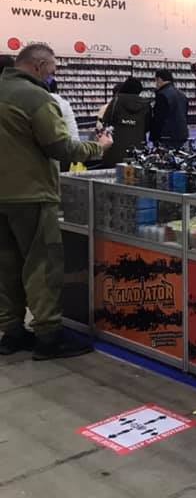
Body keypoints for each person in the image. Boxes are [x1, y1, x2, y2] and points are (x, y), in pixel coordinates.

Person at [0, 43, 112, 358]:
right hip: (31, 194)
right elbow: (61, 147)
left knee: (5, 266)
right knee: (42, 265)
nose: (53, 74)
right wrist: (99, 147)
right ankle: (48, 336)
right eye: (52, 68)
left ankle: (11, 333)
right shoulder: (36, 97)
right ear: (38, 65)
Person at [100, 77, 151, 168]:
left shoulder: (116, 101)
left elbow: (106, 121)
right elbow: (148, 126)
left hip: (115, 149)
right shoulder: (145, 104)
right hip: (137, 149)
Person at [150, 68, 188, 149]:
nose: (155, 84)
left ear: (159, 79)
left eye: (155, 81)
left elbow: (159, 118)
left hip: (166, 136)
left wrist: (154, 136)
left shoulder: (162, 95)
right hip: (181, 134)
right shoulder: (182, 95)